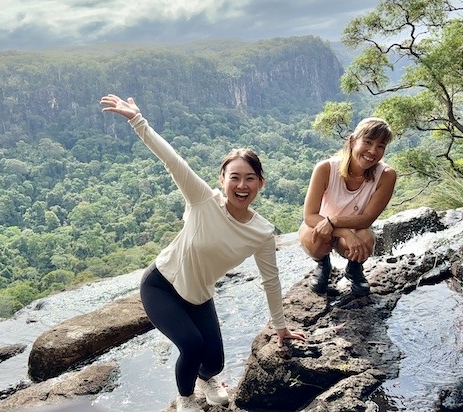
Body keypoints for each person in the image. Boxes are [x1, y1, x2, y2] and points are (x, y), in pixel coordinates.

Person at [100, 94, 305, 412]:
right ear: (222, 180)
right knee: (192, 345)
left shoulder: (262, 232)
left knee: (215, 362)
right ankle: (185, 398)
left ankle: (204, 380)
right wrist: (137, 120)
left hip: (199, 296)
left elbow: (271, 280)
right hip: (162, 285)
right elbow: (172, 159)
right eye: (234, 177)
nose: (241, 184)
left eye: (249, 178)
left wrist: (280, 326)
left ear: (260, 184)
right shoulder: (203, 200)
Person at [298, 117, 396, 296]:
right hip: (321, 226)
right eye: (367, 142)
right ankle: (323, 264)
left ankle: (354, 269)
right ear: (352, 141)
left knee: (366, 238)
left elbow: (367, 219)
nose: (373, 151)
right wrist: (342, 231)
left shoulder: (386, 175)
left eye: (381, 146)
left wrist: (335, 221)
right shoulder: (326, 169)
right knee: (314, 238)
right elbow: (309, 216)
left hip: (354, 229)